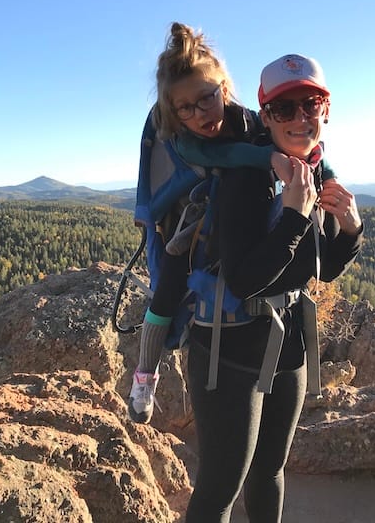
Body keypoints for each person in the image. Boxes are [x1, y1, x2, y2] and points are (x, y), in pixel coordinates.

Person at [185, 53, 363, 522]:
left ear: (326, 110)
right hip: (228, 344)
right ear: (265, 117)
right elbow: (244, 280)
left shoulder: (315, 172)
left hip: (288, 341)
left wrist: (351, 229)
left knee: (270, 471)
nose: (300, 118)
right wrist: (294, 216)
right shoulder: (246, 178)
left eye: (311, 104)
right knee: (221, 485)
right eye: (284, 108)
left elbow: (321, 269)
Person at [128, 24, 324, 424]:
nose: (199, 113)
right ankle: (145, 376)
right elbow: (229, 156)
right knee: (165, 295)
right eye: (185, 107)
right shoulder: (183, 139)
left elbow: (302, 148)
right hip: (190, 228)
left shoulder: (249, 122)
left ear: (224, 88)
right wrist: (269, 159)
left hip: (235, 227)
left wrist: (329, 177)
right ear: (173, 112)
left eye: (206, 98)